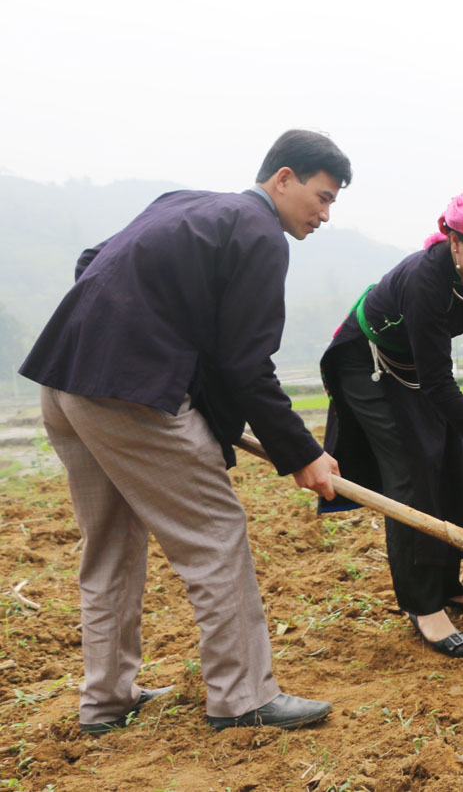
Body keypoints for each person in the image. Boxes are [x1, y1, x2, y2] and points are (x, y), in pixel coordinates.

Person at [20, 129, 352, 733]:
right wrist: (304, 453)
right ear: (283, 178)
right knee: (216, 535)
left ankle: (105, 702)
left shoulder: (181, 203)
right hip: (132, 399)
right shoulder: (259, 235)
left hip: (64, 381)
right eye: (322, 197)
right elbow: (246, 364)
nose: (325, 214)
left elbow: (92, 263)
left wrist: (142, 339)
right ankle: (243, 696)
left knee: (111, 548)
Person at [319, 189, 463, 659]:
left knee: (450, 462)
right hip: (368, 365)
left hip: (417, 369)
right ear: (452, 241)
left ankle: (450, 584)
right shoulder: (424, 279)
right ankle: (422, 603)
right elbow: (438, 382)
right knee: (413, 471)